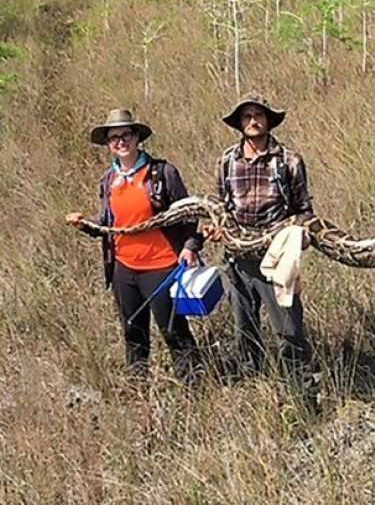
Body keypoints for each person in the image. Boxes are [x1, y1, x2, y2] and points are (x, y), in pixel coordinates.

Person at [66, 109, 202, 384]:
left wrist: (190, 246)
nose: (120, 141)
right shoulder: (108, 181)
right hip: (124, 269)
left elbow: (189, 213)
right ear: (108, 144)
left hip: (162, 266)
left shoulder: (162, 173)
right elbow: (110, 225)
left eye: (126, 134)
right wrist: (86, 225)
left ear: (137, 137)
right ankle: (138, 390)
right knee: (133, 331)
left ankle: (195, 388)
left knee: (173, 330)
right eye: (113, 137)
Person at [210, 94, 316, 391]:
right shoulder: (226, 161)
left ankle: (302, 390)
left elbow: (304, 210)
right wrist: (217, 229)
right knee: (244, 329)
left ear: (268, 121)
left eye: (259, 115)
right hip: (237, 258)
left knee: (289, 329)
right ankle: (256, 389)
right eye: (247, 117)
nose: (253, 121)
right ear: (240, 124)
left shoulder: (289, 160)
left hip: (278, 258)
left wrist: (299, 239)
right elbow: (221, 207)